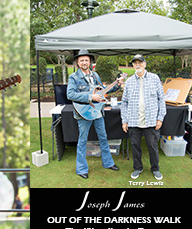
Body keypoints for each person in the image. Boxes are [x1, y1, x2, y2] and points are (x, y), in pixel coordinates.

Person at [66, 49, 120, 179]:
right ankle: (81, 169)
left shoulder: (96, 75)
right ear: (78, 63)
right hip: (83, 113)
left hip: (97, 112)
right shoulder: (73, 77)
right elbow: (70, 94)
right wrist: (91, 97)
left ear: (90, 62)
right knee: (83, 140)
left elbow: (103, 90)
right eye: (82, 60)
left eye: (86, 60)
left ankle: (108, 163)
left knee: (103, 137)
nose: (84, 62)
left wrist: (117, 85)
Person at [121, 54, 167, 181]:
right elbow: (124, 102)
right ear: (133, 66)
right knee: (135, 146)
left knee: (152, 146)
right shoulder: (129, 81)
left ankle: (155, 168)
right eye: (135, 63)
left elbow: (161, 99)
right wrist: (124, 121)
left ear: (145, 64)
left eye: (140, 62)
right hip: (134, 121)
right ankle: (138, 168)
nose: (138, 65)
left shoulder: (154, 78)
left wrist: (160, 118)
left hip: (151, 120)